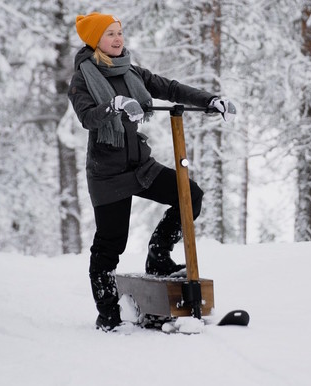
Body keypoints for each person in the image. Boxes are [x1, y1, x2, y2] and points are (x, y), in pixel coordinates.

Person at [68, 12, 235, 332]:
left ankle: (158, 256)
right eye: (110, 34)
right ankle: (108, 312)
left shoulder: (130, 70)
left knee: (190, 195)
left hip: (140, 166)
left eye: (119, 32)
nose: (118, 39)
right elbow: (89, 118)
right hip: (107, 175)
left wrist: (210, 100)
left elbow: (168, 88)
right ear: (94, 41)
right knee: (110, 244)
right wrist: (114, 105)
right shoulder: (82, 79)